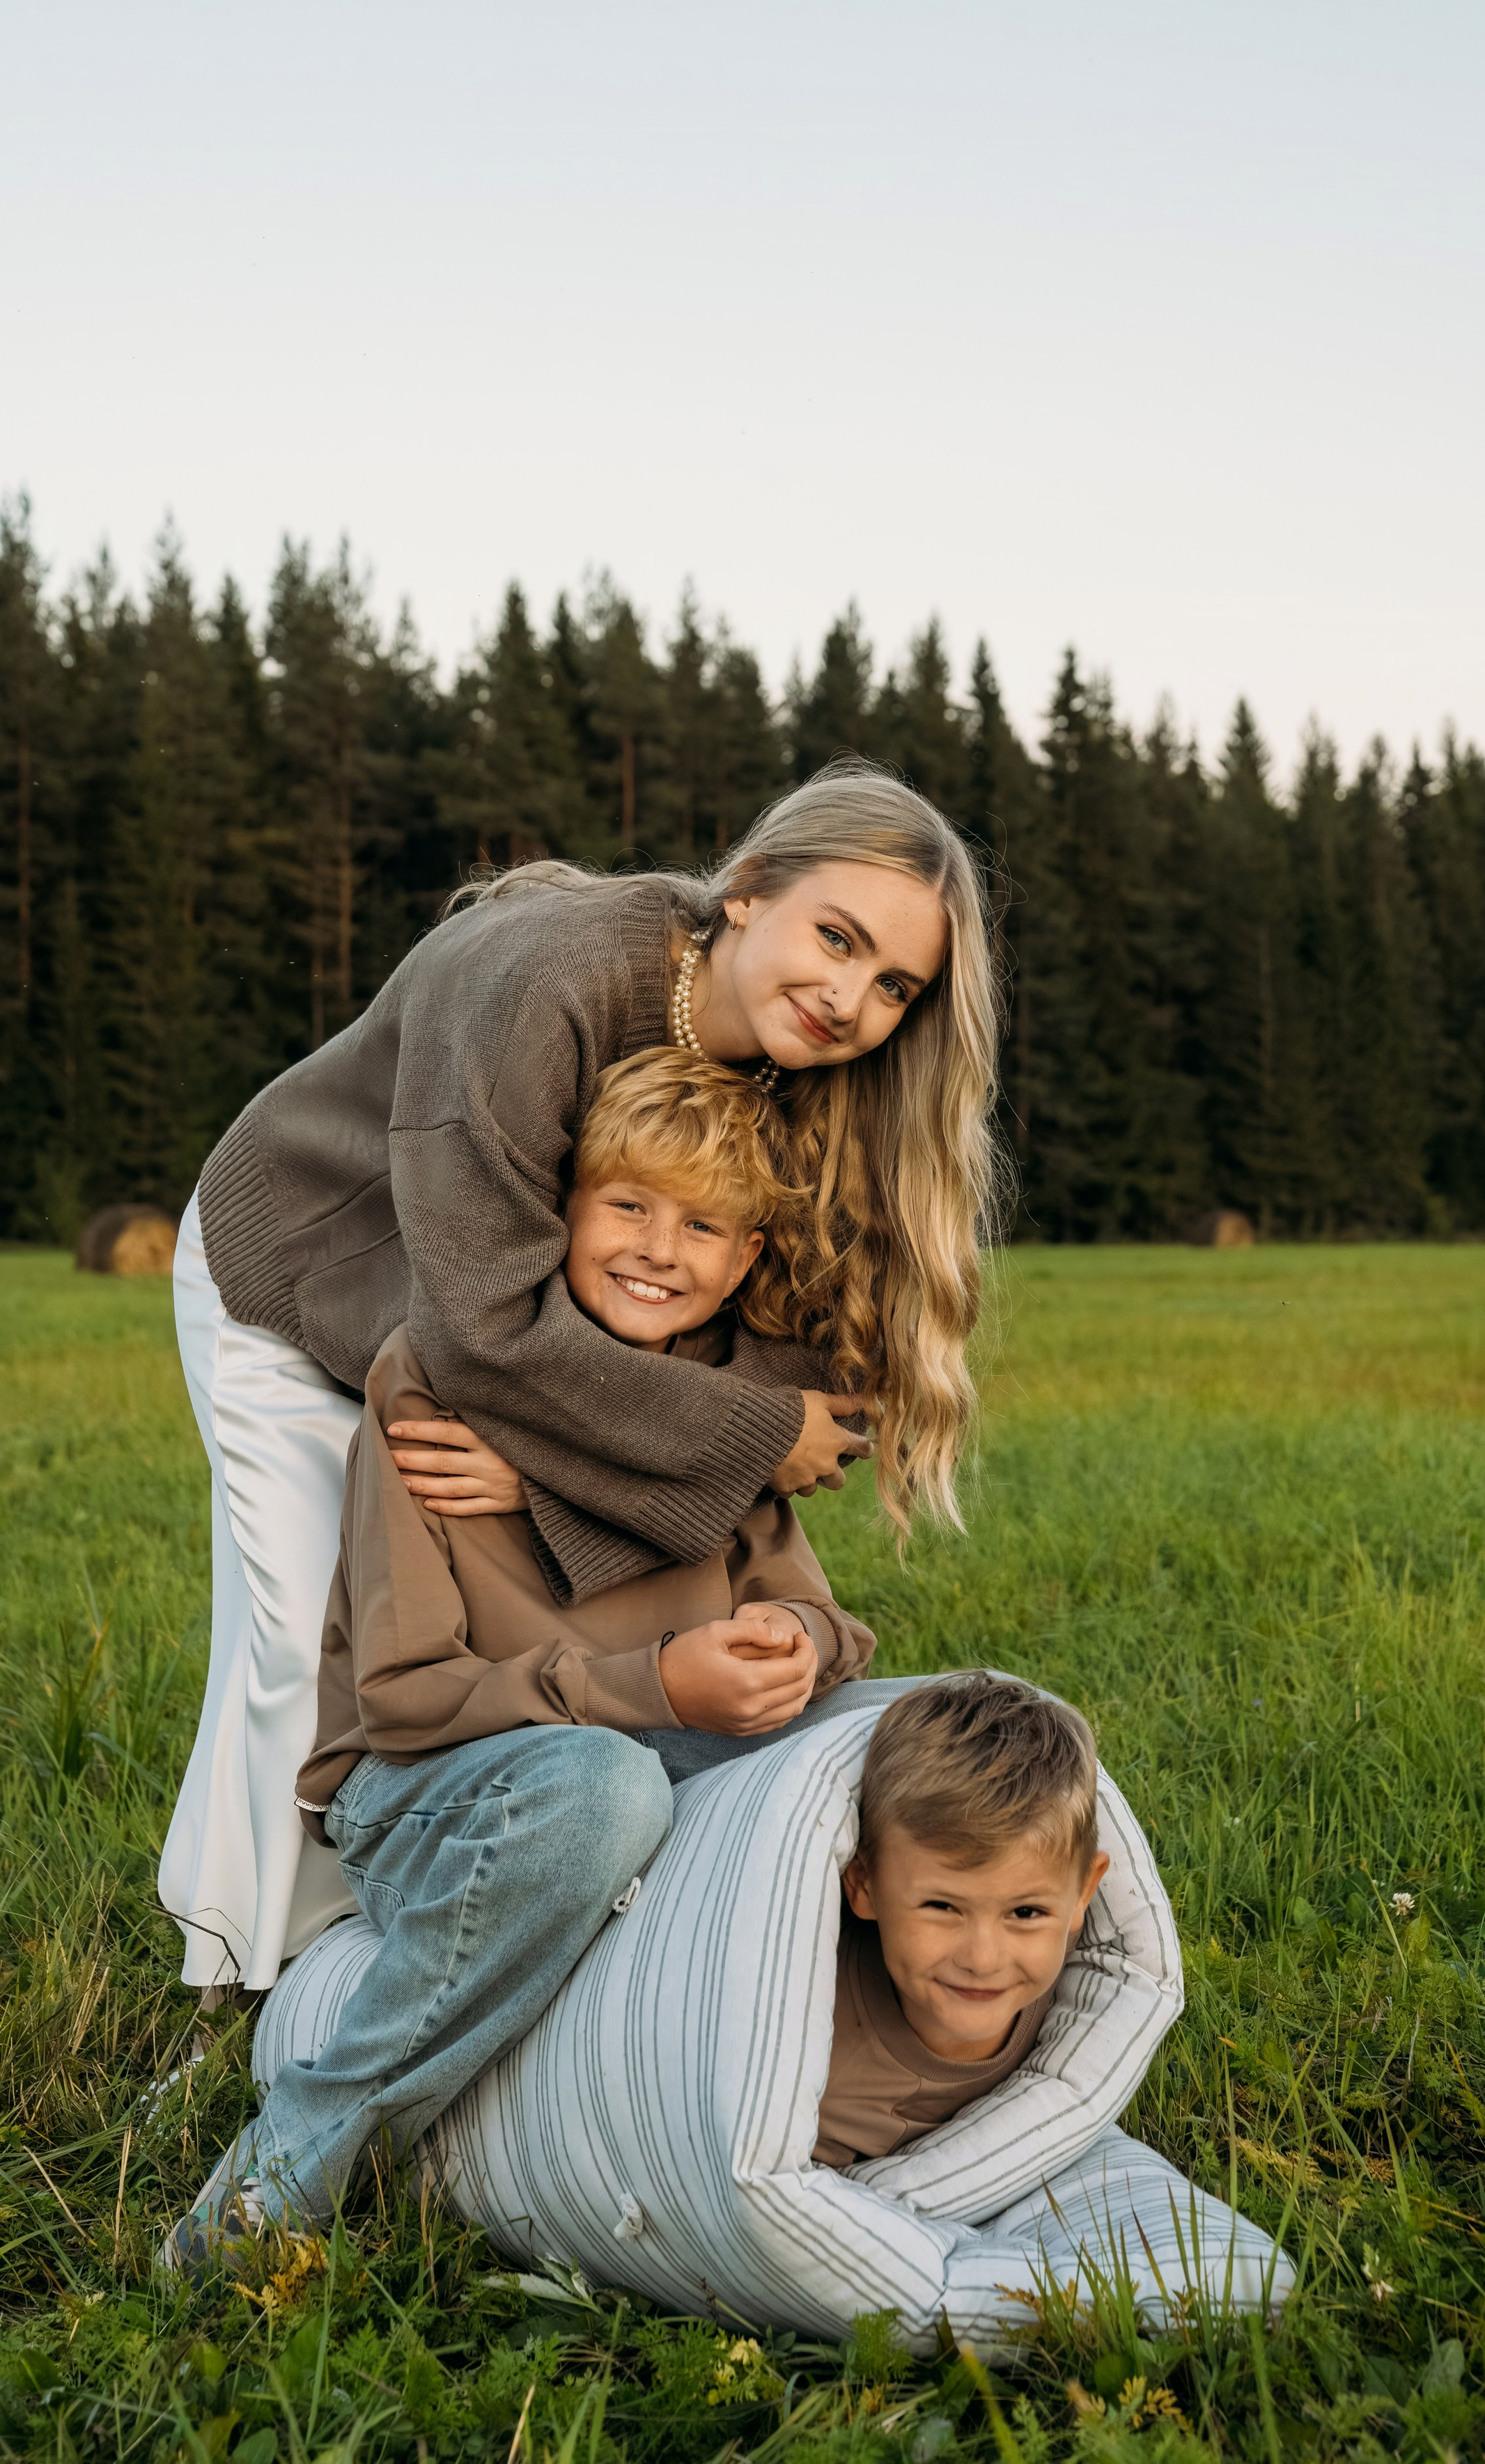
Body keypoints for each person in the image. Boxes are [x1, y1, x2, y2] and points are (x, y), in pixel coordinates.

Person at [163, 764, 1002, 1993]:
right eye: (836, 937)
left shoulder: (796, 1071)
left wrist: (545, 1465)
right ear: (749, 889)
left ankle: (470, 1928)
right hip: (302, 1272)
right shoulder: (540, 984)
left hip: (479, 1328)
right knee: (301, 1631)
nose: (848, 998)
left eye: (893, 987)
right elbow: (488, 1336)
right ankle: (247, 1982)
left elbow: (774, 1362)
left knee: (467, 1582)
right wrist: (739, 1437)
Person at [166, 1050, 877, 2268]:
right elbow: (401, 1700)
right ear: (560, 1215)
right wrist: (656, 1686)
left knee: (936, 1725)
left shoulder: (718, 1407)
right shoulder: (436, 1381)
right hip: (443, 1788)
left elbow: (830, 1621)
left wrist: (790, 1643)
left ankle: (869, 2111)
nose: (661, 1248)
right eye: (629, 1206)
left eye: (704, 1225)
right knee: (604, 1789)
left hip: (657, 1751)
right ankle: (274, 2188)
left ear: (745, 1260)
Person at [811, 1673, 1108, 2170]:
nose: (982, 1958)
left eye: (1026, 1913)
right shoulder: (817, 2052)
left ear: (1083, 1893)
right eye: (942, 1907)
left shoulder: (1073, 2013)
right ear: (862, 1884)